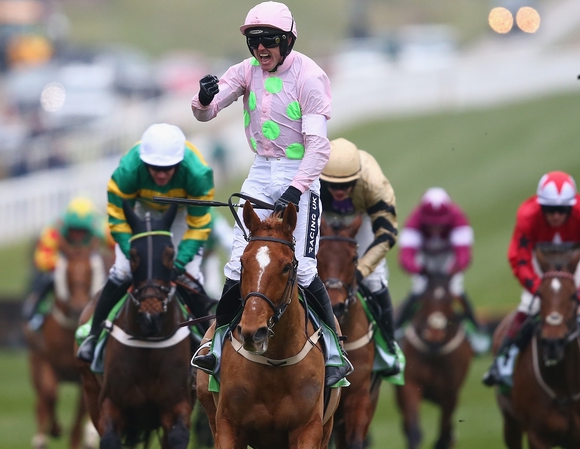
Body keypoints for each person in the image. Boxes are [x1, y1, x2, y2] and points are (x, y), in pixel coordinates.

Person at [188, 1, 352, 387]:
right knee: (236, 264)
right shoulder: (246, 71)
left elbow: (319, 148)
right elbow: (205, 114)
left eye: (270, 41)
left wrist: (295, 191)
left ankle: (333, 350)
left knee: (305, 268)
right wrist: (203, 98)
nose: (261, 49)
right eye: (255, 41)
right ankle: (213, 345)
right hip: (261, 171)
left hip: (302, 176)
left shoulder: (309, 77)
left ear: (288, 40)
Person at [76, 123, 218, 363]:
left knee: (191, 274)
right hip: (140, 212)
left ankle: (208, 346)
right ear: (144, 163)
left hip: (180, 216)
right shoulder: (129, 170)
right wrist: (130, 251)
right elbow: (117, 213)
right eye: (154, 168)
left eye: (168, 169)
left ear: (180, 163)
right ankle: (93, 334)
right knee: (122, 270)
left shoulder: (198, 174)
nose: (161, 175)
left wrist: (179, 262)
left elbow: (199, 225)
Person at [483, 171, 580, 386]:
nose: (556, 216)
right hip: (539, 265)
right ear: (541, 207)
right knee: (528, 308)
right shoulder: (527, 215)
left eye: (562, 210)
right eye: (550, 210)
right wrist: (535, 288)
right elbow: (518, 256)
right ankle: (503, 360)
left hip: (574, 265)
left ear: (572, 207)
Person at [319, 138, 400, 374]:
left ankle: (389, 347)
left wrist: (361, 270)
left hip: (361, 217)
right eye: (333, 185)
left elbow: (387, 234)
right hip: (322, 215)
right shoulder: (312, 172)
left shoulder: (374, 184)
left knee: (374, 281)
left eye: (347, 185)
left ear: (358, 178)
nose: (339, 191)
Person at [396, 187, 482, 333]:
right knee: (418, 290)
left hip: (449, 260)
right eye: (431, 223)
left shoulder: (459, 219)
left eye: (439, 223)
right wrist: (420, 270)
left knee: (456, 290)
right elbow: (406, 257)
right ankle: (397, 328)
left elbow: (463, 256)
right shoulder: (413, 221)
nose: (435, 226)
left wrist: (452, 270)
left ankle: (477, 330)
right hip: (425, 261)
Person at [22, 196, 107, 328]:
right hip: (62, 262)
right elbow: (42, 259)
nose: (78, 236)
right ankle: (35, 312)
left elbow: (121, 247)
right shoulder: (53, 230)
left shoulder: (102, 227)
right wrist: (67, 264)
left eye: (82, 232)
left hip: (90, 262)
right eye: (74, 231)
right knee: (46, 278)